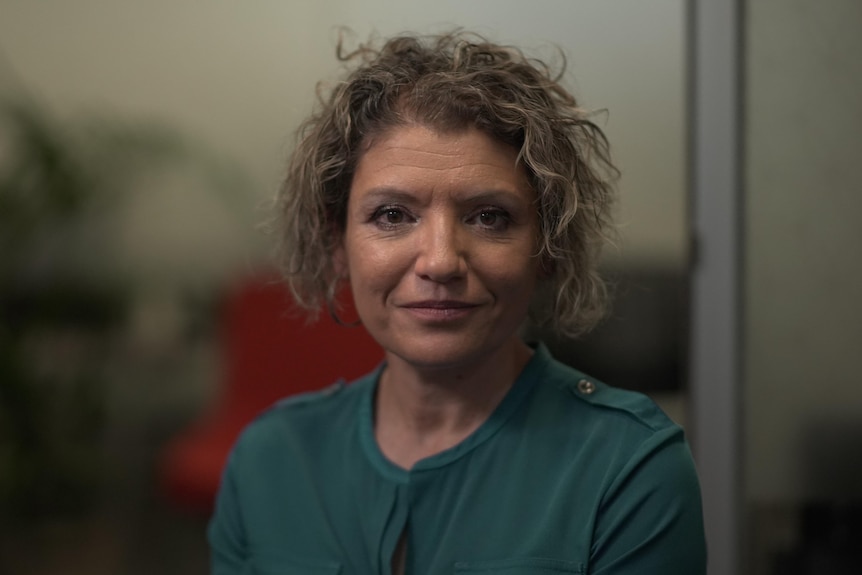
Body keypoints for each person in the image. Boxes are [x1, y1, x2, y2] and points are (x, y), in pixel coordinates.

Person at [208, 31, 706, 574]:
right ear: (337, 246)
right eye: (392, 216)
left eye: (489, 217)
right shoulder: (271, 461)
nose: (441, 262)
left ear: (548, 248)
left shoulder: (630, 468)